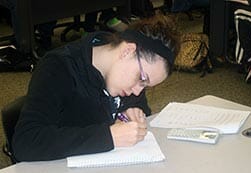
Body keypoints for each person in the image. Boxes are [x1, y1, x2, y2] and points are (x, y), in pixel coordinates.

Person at [11, 14, 180, 162]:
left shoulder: (124, 75)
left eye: (146, 87)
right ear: (128, 51)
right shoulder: (58, 67)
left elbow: (140, 107)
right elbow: (25, 142)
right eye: (142, 79)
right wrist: (108, 137)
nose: (137, 91)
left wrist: (132, 111)